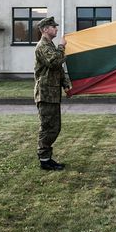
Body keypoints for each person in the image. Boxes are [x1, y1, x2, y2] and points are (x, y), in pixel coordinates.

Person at [33, 16, 71, 171]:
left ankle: (47, 158)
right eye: (53, 27)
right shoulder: (42, 46)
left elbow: (58, 69)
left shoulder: (50, 45)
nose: (56, 29)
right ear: (45, 29)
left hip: (53, 94)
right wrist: (62, 47)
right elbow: (54, 62)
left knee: (55, 127)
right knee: (48, 127)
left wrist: (65, 85)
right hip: (45, 94)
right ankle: (44, 160)